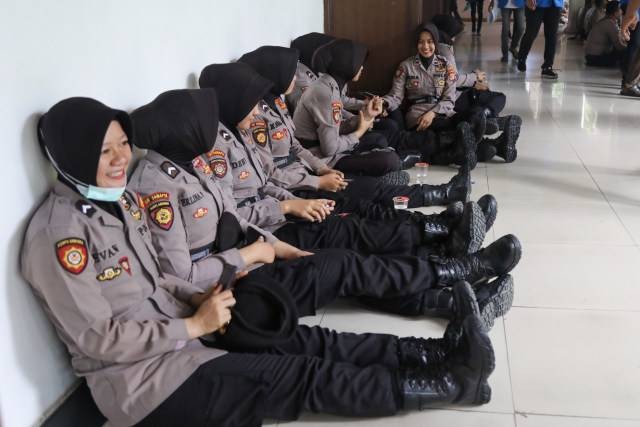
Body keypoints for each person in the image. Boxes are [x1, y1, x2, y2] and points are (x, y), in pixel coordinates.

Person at [22, 96, 500, 426]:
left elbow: (161, 280)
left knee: (308, 339)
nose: (119, 158)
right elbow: (97, 339)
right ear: (72, 155)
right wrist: (193, 325)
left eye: (122, 144)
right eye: (104, 150)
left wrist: (207, 301)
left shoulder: (118, 202)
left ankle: (433, 354)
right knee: (298, 376)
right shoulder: (58, 236)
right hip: (146, 382)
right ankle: (451, 385)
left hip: (191, 328)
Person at [129, 88, 519, 324]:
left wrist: (287, 212)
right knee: (346, 258)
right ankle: (447, 265)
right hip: (228, 282)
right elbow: (184, 270)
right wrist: (264, 240)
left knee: (352, 243)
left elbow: (259, 190)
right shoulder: (159, 185)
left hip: (260, 240)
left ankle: (442, 261)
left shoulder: (194, 161)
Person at [195, 63, 488, 257]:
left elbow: (288, 157)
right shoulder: (224, 142)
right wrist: (305, 191)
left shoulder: (259, 117)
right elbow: (255, 193)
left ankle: (440, 205)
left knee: (367, 196)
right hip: (279, 212)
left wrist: (319, 174)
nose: (297, 78)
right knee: (356, 220)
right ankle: (436, 235)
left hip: (296, 191)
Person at [236, 44, 496, 227]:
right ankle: (436, 212)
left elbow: (295, 149)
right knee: (368, 203)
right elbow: (275, 172)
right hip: (305, 182)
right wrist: (319, 179)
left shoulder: (276, 105)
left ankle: (444, 191)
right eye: (290, 71)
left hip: (312, 172)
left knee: (374, 186)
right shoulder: (262, 117)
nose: (296, 76)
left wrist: (322, 171)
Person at [382, 23, 486, 167]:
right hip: (419, 118)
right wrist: (383, 103)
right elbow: (395, 96)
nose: (425, 47)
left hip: (443, 112)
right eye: (421, 42)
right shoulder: (406, 66)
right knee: (435, 135)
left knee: (478, 114)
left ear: (436, 43)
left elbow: (449, 100)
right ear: (416, 44)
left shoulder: (446, 65)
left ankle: (459, 151)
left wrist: (433, 113)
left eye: (430, 42)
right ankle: (468, 148)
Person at [517, 0, 565, 79]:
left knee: (552, 36)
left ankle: (547, 66)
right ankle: (522, 57)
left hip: (555, 4)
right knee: (531, 33)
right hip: (536, 3)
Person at [585, 1, 627, 67]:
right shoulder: (609, 23)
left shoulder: (605, 20)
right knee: (627, 54)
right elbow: (619, 46)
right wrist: (630, 48)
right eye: (620, 9)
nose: (621, 11)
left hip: (590, 56)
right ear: (615, 13)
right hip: (594, 58)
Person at [620, 0, 640, 96]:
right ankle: (629, 84)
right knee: (635, 48)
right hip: (633, 11)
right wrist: (624, 28)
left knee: (634, 48)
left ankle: (630, 83)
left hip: (633, 11)